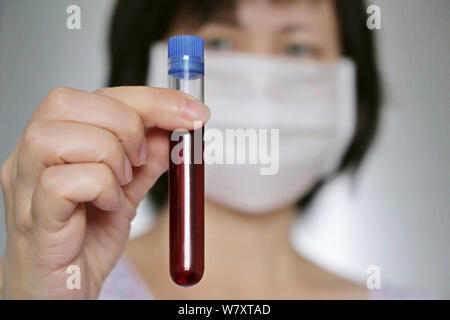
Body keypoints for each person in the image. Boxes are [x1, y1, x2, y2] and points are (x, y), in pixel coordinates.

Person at [0, 0, 382, 299]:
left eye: (299, 47)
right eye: (218, 41)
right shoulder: (66, 280)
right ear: (143, 73)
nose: (260, 85)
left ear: (355, 99)